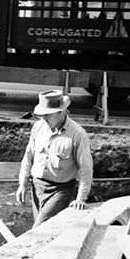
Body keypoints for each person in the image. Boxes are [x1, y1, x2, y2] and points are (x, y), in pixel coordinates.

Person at [16, 90, 93, 227]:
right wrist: (22, 184)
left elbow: (85, 168)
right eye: (42, 115)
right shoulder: (38, 127)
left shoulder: (78, 134)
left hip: (60, 190)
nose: (44, 118)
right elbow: (28, 157)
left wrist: (80, 198)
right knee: (45, 230)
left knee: (39, 228)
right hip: (37, 187)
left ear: (61, 112)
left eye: (47, 115)